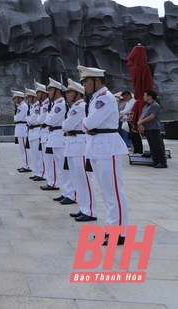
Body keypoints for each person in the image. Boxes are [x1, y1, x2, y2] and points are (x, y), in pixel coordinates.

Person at [79, 65, 129, 246]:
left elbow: (88, 123)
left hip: (108, 147)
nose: (84, 85)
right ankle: (111, 228)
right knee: (106, 192)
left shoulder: (105, 98)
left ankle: (120, 232)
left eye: (86, 81)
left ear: (97, 81)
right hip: (98, 146)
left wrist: (85, 123)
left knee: (114, 191)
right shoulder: (96, 98)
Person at [63, 79, 98, 222]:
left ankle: (90, 210)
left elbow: (66, 125)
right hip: (72, 144)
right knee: (77, 178)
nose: (67, 95)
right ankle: (84, 207)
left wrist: (65, 125)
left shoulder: (80, 106)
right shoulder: (75, 106)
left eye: (69, 92)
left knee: (84, 179)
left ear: (77, 94)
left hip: (79, 145)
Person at [40, 78, 66, 192]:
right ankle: (63, 189)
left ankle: (66, 191)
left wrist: (48, 119)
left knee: (61, 165)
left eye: (51, 90)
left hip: (59, 135)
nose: (49, 92)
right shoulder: (55, 104)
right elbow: (48, 119)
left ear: (58, 92)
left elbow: (49, 121)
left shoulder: (60, 104)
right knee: (57, 165)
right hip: (53, 135)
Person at [137, 90, 166, 168]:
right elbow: (142, 115)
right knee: (152, 146)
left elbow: (152, 116)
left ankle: (162, 162)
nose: (143, 97)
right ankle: (155, 160)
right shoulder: (146, 105)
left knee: (157, 146)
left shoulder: (155, 105)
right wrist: (140, 122)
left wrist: (141, 121)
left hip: (153, 128)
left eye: (145, 95)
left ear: (150, 96)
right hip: (147, 128)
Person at [30, 83, 48, 181]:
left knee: (40, 155)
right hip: (37, 131)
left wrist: (30, 120)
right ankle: (38, 172)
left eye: (38, 93)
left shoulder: (43, 105)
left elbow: (36, 120)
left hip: (39, 130)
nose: (37, 95)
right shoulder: (37, 105)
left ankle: (42, 173)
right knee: (35, 154)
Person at [12, 91, 29, 171]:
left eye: (15, 98)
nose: (14, 100)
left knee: (24, 149)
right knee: (22, 149)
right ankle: (25, 164)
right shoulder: (20, 106)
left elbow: (17, 118)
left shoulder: (23, 106)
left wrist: (15, 117)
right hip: (19, 128)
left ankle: (27, 165)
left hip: (22, 128)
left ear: (19, 98)